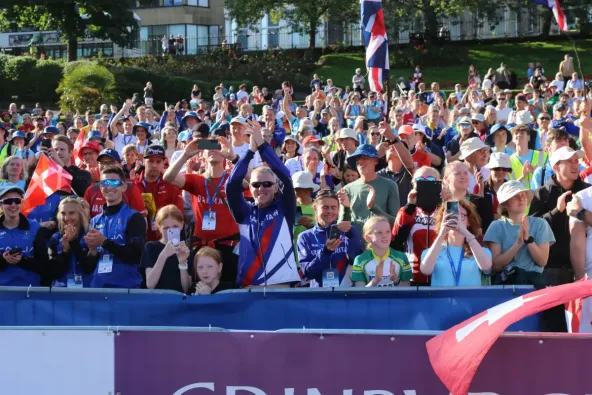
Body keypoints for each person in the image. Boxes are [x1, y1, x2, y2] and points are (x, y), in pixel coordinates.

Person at [226, 121, 300, 287]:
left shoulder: (284, 208)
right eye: (256, 185)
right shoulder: (244, 212)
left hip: (280, 285)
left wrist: (262, 145)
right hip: (249, 286)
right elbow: (231, 186)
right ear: (250, 188)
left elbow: (284, 176)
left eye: (267, 184)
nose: (261, 188)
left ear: (275, 188)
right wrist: (250, 152)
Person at [163, 134, 240, 284]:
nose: (213, 150)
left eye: (218, 147)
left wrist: (234, 157)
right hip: (201, 247)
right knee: (199, 289)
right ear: (202, 155)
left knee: (227, 290)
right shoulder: (196, 179)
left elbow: (258, 180)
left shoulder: (232, 178)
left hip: (228, 247)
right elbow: (168, 177)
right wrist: (185, 155)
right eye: (209, 147)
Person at [530, 147, 588, 331]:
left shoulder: (588, 192)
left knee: (583, 327)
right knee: (554, 327)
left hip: (585, 270)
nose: (574, 165)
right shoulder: (541, 194)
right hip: (552, 271)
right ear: (556, 166)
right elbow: (532, 230)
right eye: (569, 161)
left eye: (576, 161)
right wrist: (557, 211)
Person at [83, 166, 146, 289]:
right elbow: (88, 266)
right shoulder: (95, 221)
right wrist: (93, 251)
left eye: (114, 183)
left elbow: (136, 256)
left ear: (123, 187)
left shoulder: (134, 217)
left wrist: (104, 242)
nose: (110, 187)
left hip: (125, 288)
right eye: (105, 183)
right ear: (101, 188)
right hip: (99, 287)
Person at [484, 181, 555, 286]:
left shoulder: (541, 224)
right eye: (515, 196)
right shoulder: (496, 226)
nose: (521, 198)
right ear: (505, 205)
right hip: (505, 285)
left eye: (523, 195)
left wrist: (528, 240)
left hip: (533, 286)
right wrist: (518, 244)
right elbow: (495, 266)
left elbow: (542, 261)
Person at [297, 189, 363, 287]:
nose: (330, 211)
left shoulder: (347, 230)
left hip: (345, 293)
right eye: (325, 207)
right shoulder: (305, 237)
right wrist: (325, 252)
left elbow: (356, 261)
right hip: (319, 295)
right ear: (315, 208)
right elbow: (308, 273)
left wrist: (350, 235)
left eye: (333, 207)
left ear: (338, 209)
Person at [420, 200, 492, 286]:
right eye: (450, 215)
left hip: (470, 299)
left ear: (469, 221)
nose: (456, 219)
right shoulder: (433, 251)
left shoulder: (481, 251)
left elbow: (486, 267)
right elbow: (425, 270)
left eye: (460, 215)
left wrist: (467, 234)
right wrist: (441, 235)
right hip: (442, 299)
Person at [391, 166, 441, 285]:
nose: (424, 183)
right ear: (414, 185)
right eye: (420, 180)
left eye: (430, 180)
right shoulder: (406, 211)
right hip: (414, 276)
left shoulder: (444, 210)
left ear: (439, 183)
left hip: (441, 274)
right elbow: (396, 243)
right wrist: (410, 207)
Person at [338, 144, 400, 233]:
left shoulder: (390, 185)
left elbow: (395, 223)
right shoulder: (347, 189)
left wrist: (373, 207)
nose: (360, 161)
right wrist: (346, 209)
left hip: (380, 244)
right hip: (355, 244)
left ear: (375, 161)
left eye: (364, 157)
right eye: (358, 158)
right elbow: (341, 225)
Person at [0, 183, 48, 286]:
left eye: (17, 201)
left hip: (28, 293)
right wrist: (3, 260)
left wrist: (23, 260)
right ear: (1, 205)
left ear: (22, 204)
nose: (13, 205)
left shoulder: (35, 227)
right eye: (8, 201)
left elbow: (44, 264)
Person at [133, 145, 183, 242]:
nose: (154, 165)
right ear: (143, 161)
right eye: (150, 161)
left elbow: (179, 217)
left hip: (166, 241)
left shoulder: (172, 184)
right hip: (140, 242)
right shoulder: (133, 185)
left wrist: (173, 243)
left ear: (164, 162)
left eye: (158, 161)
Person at [141, 205, 192, 293]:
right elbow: (150, 284)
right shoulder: (150, 247)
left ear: (182, 225)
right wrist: (163, 255)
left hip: (179, 301)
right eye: (166, 228)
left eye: (175, 226)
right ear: (159, 227)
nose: (171, 231)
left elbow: (186, 288)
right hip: (158, 300)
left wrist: (182, 262)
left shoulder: (185, 250)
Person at [83, 149, 146, 219]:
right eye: (102, 162)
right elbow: (86, 221)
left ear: (120, 165)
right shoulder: (91, 190)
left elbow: (141, 219)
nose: (105, 166)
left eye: (110, 162)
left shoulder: (130, 188)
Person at [352, 216, 411, 287]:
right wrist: (376, 280)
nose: (384, 235)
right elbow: (360, 293)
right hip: (371, 298)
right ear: (368, 238)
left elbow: (406, 291)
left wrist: (395, 279)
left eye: (388, 231)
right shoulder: (360, 260)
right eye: (379, 232)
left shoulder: (402, 257)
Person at [48, 197, 93, 288]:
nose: (66, 217)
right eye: (63, 213)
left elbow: (88, 267)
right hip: (62, 291)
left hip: (86, 291)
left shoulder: (90, 236)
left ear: (80, 215)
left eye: (72, 213)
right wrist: (65, 251)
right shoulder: (56, 238)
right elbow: (53, 272)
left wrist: (73, 242)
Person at [508, 124, 547, 189]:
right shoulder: (508, 161)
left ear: (529, 137)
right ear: (512, 138)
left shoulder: (542, 156)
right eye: (516, 133)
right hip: (519, 197)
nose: (519, 135)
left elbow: (549, 179)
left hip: (539, 196)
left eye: (522, 133)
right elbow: (509, 188)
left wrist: (535, 171)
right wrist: (523, 176)